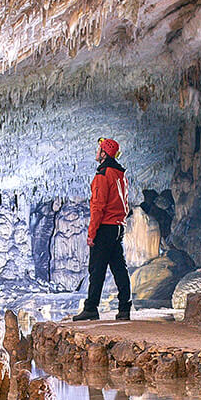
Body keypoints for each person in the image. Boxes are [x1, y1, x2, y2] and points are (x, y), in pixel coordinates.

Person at [72, 137, 131, 320]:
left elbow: (98, 206)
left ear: (104, 154)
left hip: (105, 227)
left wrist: (92, 233)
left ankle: (91, 308)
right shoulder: (120, 175)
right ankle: (124, 308)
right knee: (120, 269)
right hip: (118, 227)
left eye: (99, 149)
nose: (97, 152)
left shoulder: (103, 175)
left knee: (97, 269)